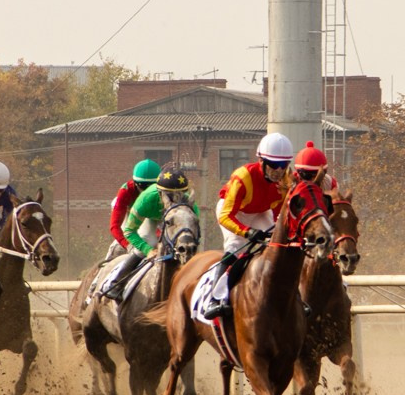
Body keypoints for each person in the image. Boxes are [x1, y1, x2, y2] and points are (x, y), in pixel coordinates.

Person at [196, 132, 294, 320]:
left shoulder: (285, 182)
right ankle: (215, 299)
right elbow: (225, 216)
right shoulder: (243, 177)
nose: (278, 171)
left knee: (282, 244)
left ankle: (293, 296)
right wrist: (247, 232)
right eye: (273, 165)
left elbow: (279, 216)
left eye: (283, 165)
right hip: (233, 212)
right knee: (234, 248)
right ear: (261, 161)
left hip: (260, 212)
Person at [99, 168, 195, 300]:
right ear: (160, 193)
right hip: (150, 217)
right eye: (169, 196)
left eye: (180, 195)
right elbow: (129, 231)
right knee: (148, 241)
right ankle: (115, 282)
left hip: (171, 220)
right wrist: (147, 250)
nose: (175, 200)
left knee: (187, 245)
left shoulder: (189, 205)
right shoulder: (146, 199)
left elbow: (193, 233)